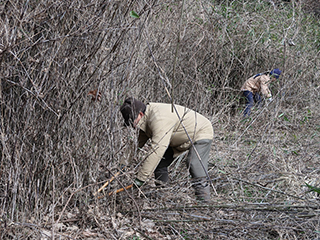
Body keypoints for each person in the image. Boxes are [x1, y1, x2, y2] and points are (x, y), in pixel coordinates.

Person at [120, 97, 214, 201]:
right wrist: (121, 166)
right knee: (161, 163)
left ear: (140, 115)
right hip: (179, 137)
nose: (133, 126)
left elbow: (156, 151)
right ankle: (163, 196)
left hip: (201, 131)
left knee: (194, 164)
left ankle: (204, 202)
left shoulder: (159, 119)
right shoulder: (145, 120)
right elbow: (135, 146)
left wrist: (140, 180)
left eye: (133, 122)